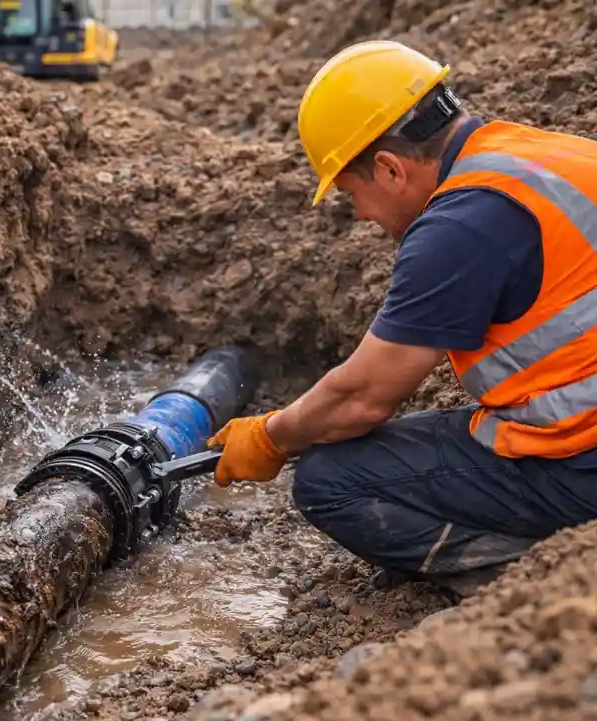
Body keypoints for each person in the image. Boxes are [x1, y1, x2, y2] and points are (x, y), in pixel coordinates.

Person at [207, 40, 597, 598]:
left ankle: (531, 575)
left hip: (584, 466)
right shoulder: (545, 155)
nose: (362, 215)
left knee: (329, 479)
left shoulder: (459, 225)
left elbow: (362, 398)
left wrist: (270, 437)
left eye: (351, 193)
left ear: (389, 168)